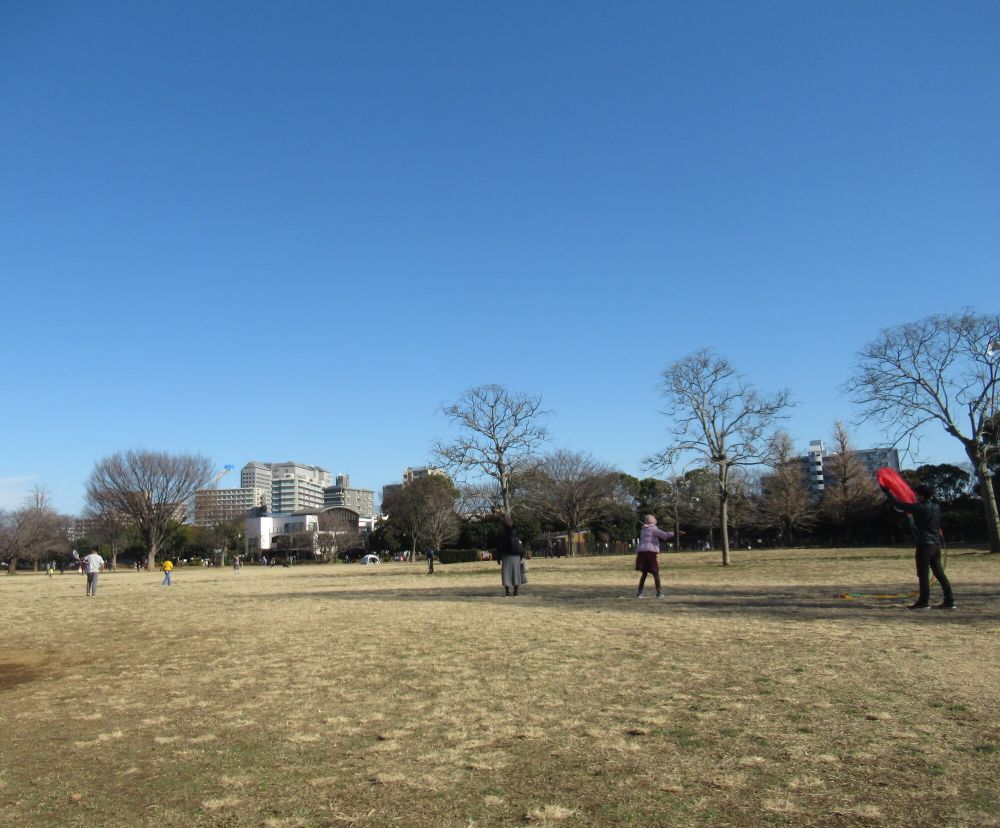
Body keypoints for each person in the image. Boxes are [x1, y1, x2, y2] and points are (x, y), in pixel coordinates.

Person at [883, 483, 956, 610]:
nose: (916, 496)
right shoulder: (936, 507)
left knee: (923, 574)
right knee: (939, 573)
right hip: (936, 545)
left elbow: (897, 504)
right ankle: (949, 601)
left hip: (924, 545)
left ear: (921, 496)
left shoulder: (919, 508)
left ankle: (923, 602)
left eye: (917, 495)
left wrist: (887, 491)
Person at [635, 515, 675, 599]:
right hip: (650, 553)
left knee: (644, 574)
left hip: (641, 553)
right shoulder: (654, 529)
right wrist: (675, 533)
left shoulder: (643, 530)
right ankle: (659, 593)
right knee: (655, 572)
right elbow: (665, 535)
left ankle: (639, 592)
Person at [496, 516, 525, 597]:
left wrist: (498, 557)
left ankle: (507, 591)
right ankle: (516, 591)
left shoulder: (501, 534)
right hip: (516, 556)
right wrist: (522, 555)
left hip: (505, 556)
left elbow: (499, 547)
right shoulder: (516, 532)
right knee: (516, 574)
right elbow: (520, 545)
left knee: (506, 574)